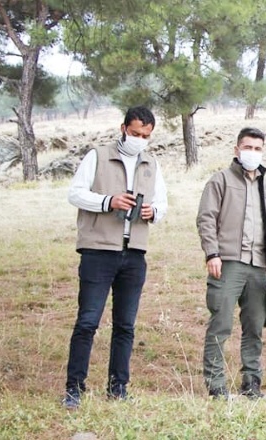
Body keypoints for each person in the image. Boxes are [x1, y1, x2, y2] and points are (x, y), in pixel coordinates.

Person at [63, 106, 168, 409]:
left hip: (134, 253)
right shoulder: (97, 155)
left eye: (146, 136)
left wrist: (153, 212)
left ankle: (118, 387)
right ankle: (74, 388)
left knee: (126, 325)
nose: (140, 140)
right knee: (87, 322)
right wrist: (108, 201)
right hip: (98, 250)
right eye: (135, 133)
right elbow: (75, 193)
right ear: (123, 128)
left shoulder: (151, 163)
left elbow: (162, 203)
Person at [197, 127, 266, 400]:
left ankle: (251, 381)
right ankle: (216, 384)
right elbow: (206, 219)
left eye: (258, 149)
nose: (253, 153)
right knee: (221, 324)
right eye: (248, 148)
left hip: (258, 265)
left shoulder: (265, 186)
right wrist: (212, 253)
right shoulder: (220, 181)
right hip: (228, 263)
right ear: (237, 150)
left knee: (254, 327)